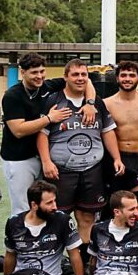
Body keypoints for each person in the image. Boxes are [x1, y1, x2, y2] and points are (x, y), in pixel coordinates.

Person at [37, 59, 124, 251]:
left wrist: (117, 158)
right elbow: (42, 134)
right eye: (75, 74)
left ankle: (83, 259)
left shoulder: (96, 102)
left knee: (87, 216)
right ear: (65, 77)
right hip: (61, 170)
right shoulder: (53, 100)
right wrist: (46, 161)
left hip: (91, 170)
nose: (80, 78)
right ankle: (56, 258)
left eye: (84, 74)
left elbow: (107, 131)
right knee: (57, 217)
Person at [1, 53, 96, 216]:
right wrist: (49, 118)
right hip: (19, 158)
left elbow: (87, 81)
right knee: (23, 207)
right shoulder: (13, 96)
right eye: (34, 72)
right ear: (22, 72)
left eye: (42, 71)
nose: (39, 76)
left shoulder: (46, 86)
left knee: (44, 205)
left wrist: (90, 104)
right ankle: (19, 233)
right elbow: (18, 130)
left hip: (42, 156)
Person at [104, 61, 138, 227]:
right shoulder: (107, 103)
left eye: (132, 75)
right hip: (115, 160)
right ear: (117, 78)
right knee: (114, 210)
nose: (127, 79)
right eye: (123, 75)